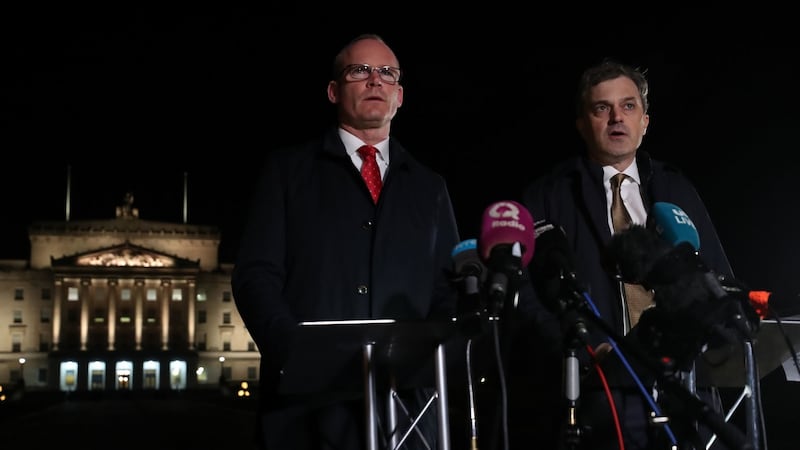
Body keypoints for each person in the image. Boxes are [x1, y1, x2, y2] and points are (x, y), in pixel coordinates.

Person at [231, 33, 461, 450]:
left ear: (400, 95)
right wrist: (294, 352)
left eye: (387, 73)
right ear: (334, 91)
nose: (375, 81)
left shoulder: (431, 187)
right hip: (307, 409)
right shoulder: (287, 172)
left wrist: (429, 353)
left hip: (407, 410)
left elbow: (446, 286)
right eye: (360, 71)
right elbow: (255, 276)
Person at [520, 59, 740, 450]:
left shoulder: (677, 189)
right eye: (601, 108)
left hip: (685, 391)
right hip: (599, 396)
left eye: (628, 106)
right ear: (582, 124)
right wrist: (587, 352)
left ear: (645, 121)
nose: (616, 118)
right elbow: (531, 304)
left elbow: (717, 278)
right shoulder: (548, 195)